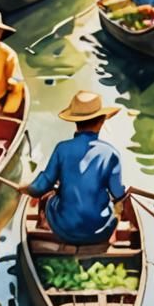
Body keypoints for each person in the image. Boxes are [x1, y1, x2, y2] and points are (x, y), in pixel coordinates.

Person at [16, 90, 128, 245]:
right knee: (117, 209)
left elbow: (40, 187)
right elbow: (118, 193)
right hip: (100, 231)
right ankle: (111, 235)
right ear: (101, 122)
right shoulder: (111, 153)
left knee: (48, 198)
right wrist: (122, 195)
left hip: (64, 230)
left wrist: (26, 188)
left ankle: (44, 223)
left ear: (75, 123)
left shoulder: (62, 149)